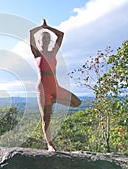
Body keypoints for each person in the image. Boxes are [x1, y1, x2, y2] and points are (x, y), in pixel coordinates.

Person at [30, 19, 82, 152]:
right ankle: (50, 144)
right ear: (40, 41)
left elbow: (61, 35)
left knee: (76, 102)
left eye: (48, 37)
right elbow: (31, 34)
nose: (47, 39)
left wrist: (47, 27)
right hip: (43, 89)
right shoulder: (37, 53)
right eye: (44, 37)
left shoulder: (53, 52)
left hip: (55, 87)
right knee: (46, 119)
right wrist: (41, 28)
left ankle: (54, 100)